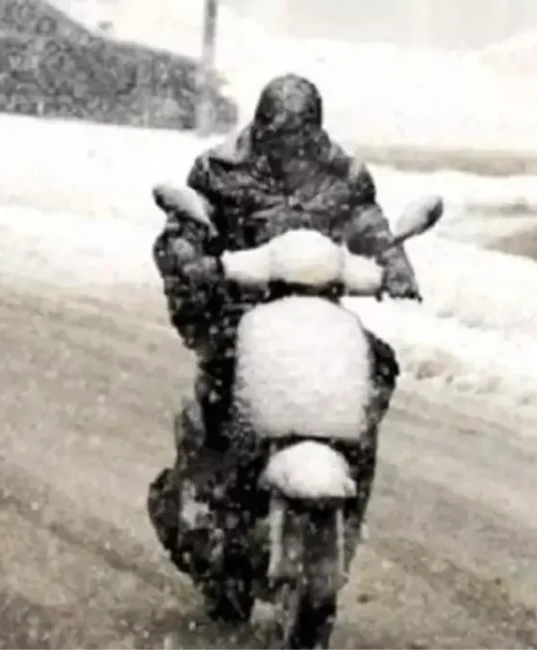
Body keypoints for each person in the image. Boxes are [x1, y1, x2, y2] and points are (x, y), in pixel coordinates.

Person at [146, 73, 423, 590]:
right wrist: (192, 256)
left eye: (301, 133)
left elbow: (367, 222)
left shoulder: (341, 175)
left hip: (317, 312)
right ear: (261, 124)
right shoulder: (221, 170)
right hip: (243, 309)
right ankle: (206, 490)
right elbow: (187, 226)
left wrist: (393, 259)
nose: (291, 142)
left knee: (377, 362)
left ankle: (350, 466)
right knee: (222, 377)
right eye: (280, 132)